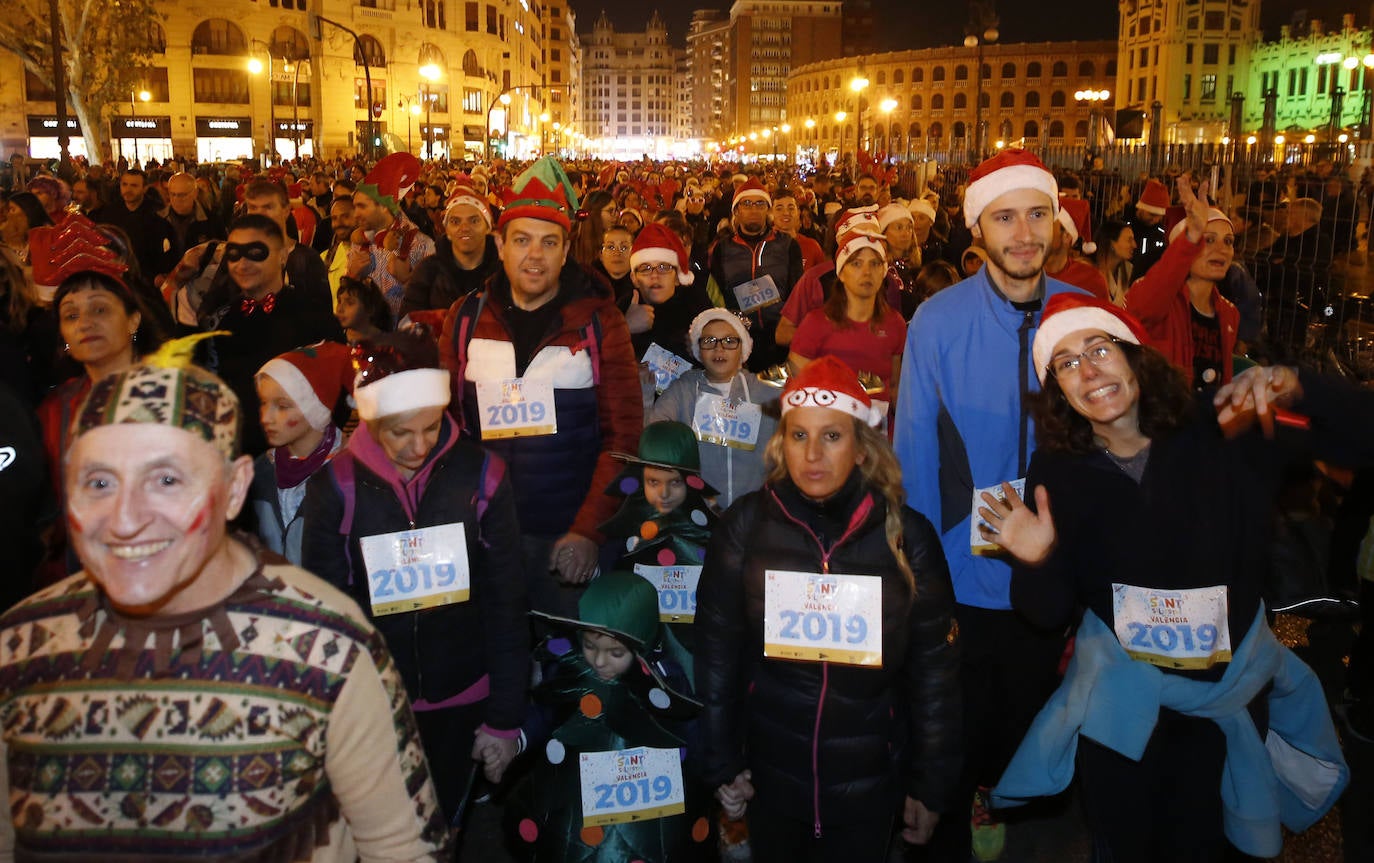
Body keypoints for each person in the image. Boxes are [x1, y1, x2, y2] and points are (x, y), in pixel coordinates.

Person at [0, 345, 450, 860]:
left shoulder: (328, 650)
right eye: (99, 482)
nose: (124, 520)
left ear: (235, 489)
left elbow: (404, 849)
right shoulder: (17, 649)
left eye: (166, 480)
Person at [980, 293, 1357, 862]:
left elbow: (1362, 436)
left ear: (1134, 356)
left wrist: (1302, 385)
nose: (1088, 371)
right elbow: (1048, 612)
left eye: (1099, 349)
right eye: (1066, 363)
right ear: (1057, 388)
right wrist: (1036, 561)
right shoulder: (1057, 470)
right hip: (1123, 715)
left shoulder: (1222, 427)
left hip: (1226, 706)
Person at [893, 148, 1086, 862]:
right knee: (952, 725)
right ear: (980, 229)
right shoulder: (937, 321)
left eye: (1038, 213)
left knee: (1028, 718)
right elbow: (914, 447)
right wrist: (918, 566)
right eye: (1006, 216)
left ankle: (999, 802)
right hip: (959, 572)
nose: (1025, 232)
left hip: (1051, 569)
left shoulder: (1082, 313)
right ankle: (949, 814)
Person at [696, 356, 960, 860]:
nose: (813, 454)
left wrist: (931, 785)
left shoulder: (909, 538)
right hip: (770, 778)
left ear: (863, 448)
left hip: (869, 784)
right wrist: (722, 763)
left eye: (833, 436)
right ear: (781, 443)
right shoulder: (745, 528)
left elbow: (935, 675)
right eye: (799, 436)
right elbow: (716, 657)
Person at [303, 326, 529, 822]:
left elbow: (507, 600)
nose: (419, 445)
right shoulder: (338, 486)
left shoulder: (482, 475)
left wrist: (505, 718)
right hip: (377, 704)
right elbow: (327, 614)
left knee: (442, 826)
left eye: (430, 426)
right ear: (371, 419)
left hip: (465, 694)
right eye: (399, 432)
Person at [440, 156, 642, 619]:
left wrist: (590, 530)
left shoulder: (599, 321)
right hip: (486, 533)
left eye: (549, 242)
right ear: (501, 244)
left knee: (566, 671)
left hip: (566, 537)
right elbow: (446, 426)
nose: (535, 255)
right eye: (523, 241)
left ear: (566, 249)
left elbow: (624, 437)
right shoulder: (464, 317)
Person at [507, 570, 707, 863]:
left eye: (615, 652)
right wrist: (518, 739)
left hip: (650, 803)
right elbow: (546, 711)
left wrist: (716, 774)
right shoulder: (573, 672)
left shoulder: (664, 681)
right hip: (580, 800)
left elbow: (690, 728)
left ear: (643, 643)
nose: (599, 661)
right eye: (590, 646)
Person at [200, 214, 345, 456]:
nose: (242, 263)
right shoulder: (219, 320)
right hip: (237, 461)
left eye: (255, 252)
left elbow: (338, 395)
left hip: (302, 466)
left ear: (282, 256)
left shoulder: (314, 318)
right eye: (234, 254)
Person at [650, 309, 779, 510]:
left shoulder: (767, 395)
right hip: (697, 515)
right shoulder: (682, 390)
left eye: (729, 341)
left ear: (743, 348)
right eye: (709, 341)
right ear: (698, 349)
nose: (719, 349)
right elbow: (654, 437)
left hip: (755, 515)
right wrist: (644, 399)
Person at [1125, 177, 1240, 389]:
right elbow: (1144, 305)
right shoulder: (1157, 300)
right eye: (1208, 239)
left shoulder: (1229, 312)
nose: (1222, 249)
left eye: (1228, 241)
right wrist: (1191, 235)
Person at [249, 341, 352, 565]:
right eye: (264, 403)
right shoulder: (261, 472)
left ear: (315, 410)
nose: (266, 417)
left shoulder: (349, 476)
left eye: (283, 406)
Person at [790, 227, 906, 401]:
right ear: (842, 273)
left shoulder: (895, 323)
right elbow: (796, 388)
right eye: (856, 263)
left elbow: (896, 387)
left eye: (875, 263)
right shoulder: (815, 324)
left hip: (880, 426)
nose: (867, 272)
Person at [707, 178, 804, 372]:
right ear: (736, 211)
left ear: (767, 210)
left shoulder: (787, 245)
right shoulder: (722, 248)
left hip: (779, 341)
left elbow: (798, 295)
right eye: (747, 203)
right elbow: (716, 295)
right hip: (738, 341)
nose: (753, 209)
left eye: (760, 203)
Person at [349, 154, 437, 321]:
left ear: (383, 206)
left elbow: (434, 304)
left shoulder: (421, 244)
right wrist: (352, 275)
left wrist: (406, 281)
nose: (355, 214)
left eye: (361, 207)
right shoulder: (361, 241)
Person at [403, 185, 500, 315]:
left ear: (488, 227)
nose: (464, 228)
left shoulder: (503, 272)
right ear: (447, 230)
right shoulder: (428, 271)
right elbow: (409, 322)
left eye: (474, 221)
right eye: (455, 221)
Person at [622, 222, 711, 362]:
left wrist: (704, 350)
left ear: (677, 277)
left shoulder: (698, 307)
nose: (655, 275)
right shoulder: (621, 308)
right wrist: (625, 328)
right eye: (645, 268)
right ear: (634, 278)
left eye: (664, 267)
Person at [336, 275, 393, 344]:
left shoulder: (385, 345)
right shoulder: (334, 339)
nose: (340, 309)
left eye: (350, 303)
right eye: (339, 301)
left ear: (370, 309)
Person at [1092, 219, 1135, 307]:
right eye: (1129, 240)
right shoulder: (1089, 271)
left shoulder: (1128, 270)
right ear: (1111, 244)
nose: (1134, 245)